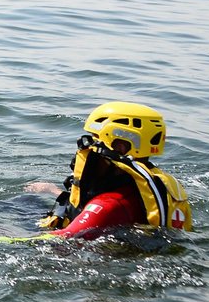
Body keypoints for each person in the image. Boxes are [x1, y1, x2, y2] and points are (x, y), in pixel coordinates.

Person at [16, 101, 194, 241]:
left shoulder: (108, 205)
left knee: (15, 207)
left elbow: (59, 240)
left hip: (85, 257)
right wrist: (52, 190)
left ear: (120, 147)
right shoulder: (147, 187)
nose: (86, 148)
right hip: (111, 233)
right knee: (29, 201)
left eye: (94, 140)